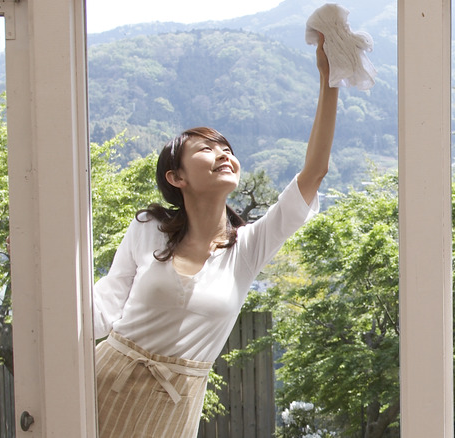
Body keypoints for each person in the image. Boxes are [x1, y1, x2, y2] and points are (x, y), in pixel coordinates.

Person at [92, 33, 339, 438]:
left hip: (176, 403)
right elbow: (104, 305)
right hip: (109, 381)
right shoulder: (148, 228)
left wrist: (328, 81)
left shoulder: (248, 248)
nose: (224, 153)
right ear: (177, 177)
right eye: (207, 149)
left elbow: (313, 175)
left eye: (227, 147)